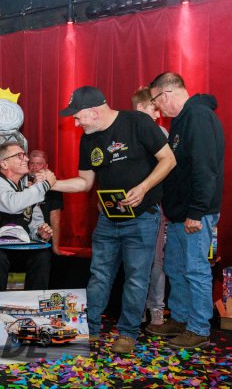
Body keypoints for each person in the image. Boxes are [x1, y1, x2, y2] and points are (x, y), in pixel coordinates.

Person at [52, 86, 176, 354]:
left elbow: (168, 160)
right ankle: (90, 329)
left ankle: (128, 333)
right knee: (99, 275)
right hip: (108, 219)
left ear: (93, 111)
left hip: (143, 217)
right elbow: (85, 182)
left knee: (136, 278)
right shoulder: (88, 139)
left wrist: (143, 188)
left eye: (77, 117)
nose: (76, 123)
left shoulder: (138, 122)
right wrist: (54, 183)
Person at [145, 72, 224, 349]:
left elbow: (205, 169)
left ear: (165, 94)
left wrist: (197, 211)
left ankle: (199, 328)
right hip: (179, 213)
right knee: (175, 267)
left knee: (195, 269)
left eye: (156, 100)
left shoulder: (199, 116)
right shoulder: (180, 121)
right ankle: (180, 319)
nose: (157, 107)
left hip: (195, 213)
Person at [0, 142, 56, 294]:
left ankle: (32, 305)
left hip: (16, 250)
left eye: (25, 155)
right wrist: (45, 185)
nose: (26, 159)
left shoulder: (27, 191)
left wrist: (40, 232)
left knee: (42, 255)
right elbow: (13, 204)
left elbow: (34, 224)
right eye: (19, 156)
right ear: (4, 163)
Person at [132, 87, 169, 326]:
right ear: (140, 108)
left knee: (156, 261)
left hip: (154, 207)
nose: (158, 115)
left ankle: (156, 308)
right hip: (130, 207)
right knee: (134, 263)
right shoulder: (124, 129)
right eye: (154, 110)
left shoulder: (160, 132)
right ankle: (135, 309)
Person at [27, 150, 66, 256]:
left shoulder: (53, 186)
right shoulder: (21, 182)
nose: (34, 167)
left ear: (46, 166)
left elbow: (55, 218)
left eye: (39, 164)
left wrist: (55, 248)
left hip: (43, 236)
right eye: (32, 163)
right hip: (24, 234)